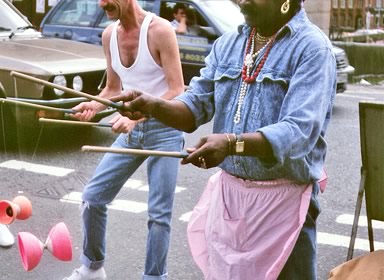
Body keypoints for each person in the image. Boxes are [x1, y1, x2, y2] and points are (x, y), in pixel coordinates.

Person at [113, 0, 336, 279]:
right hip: (232, 203)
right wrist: (153, 106)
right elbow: (194, 106)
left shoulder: (312, 48)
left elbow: (299, 131)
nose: (242, 1)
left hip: (284, 205)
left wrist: (232, 144)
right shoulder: (228, 44)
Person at [64, 0, 185, 279]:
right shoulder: (109, 35)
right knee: (92, 199)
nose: (101, 3)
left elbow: (177, 90)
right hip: (131, 132)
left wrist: (136, 116)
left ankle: (154, 277)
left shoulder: (160, 30)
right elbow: (112, 88)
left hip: (165, 130)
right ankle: (92, 267)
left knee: (158, 216)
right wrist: (93, 106)